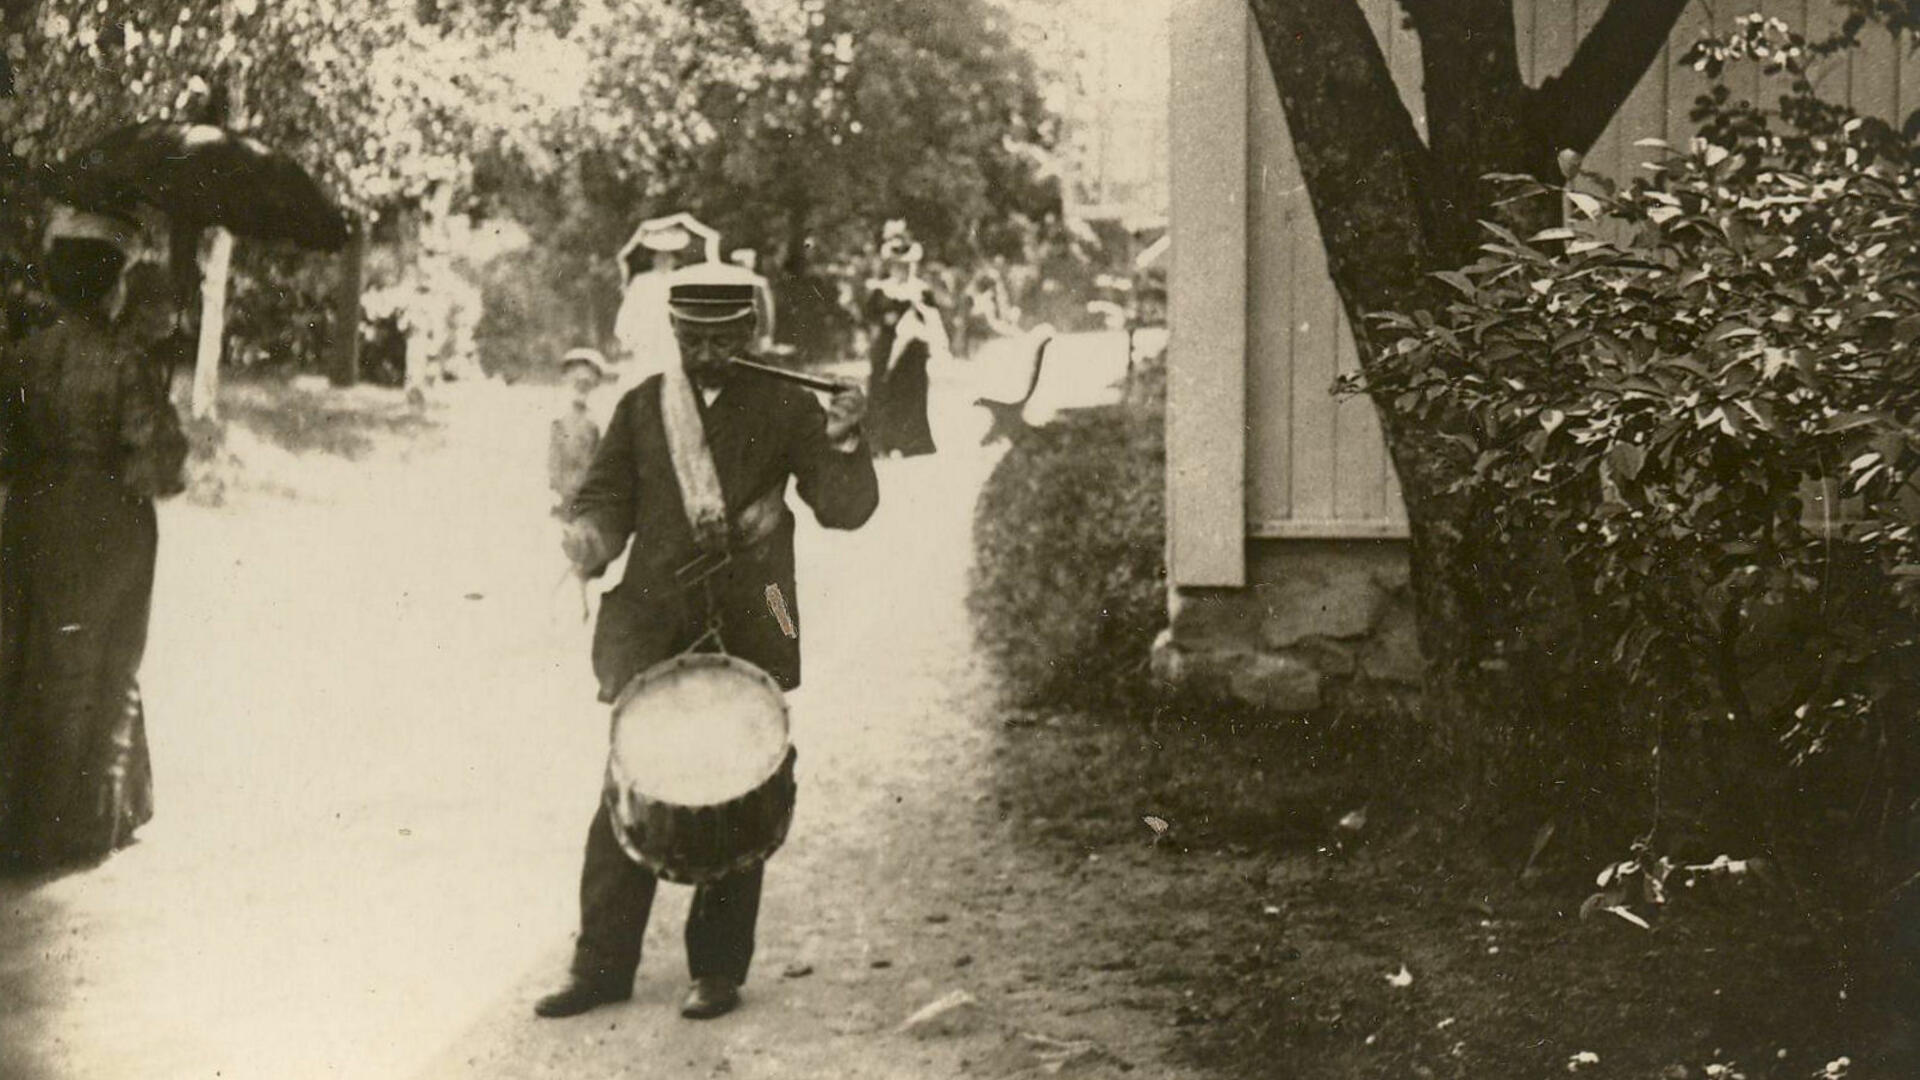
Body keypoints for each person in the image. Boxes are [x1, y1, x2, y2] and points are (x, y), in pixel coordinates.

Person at [534, 273, 876, 1021]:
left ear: (751, 331)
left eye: (725, 338)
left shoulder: (789, 405)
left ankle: (717, 970)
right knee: (629, 786)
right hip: (655, 615)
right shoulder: (643, 406)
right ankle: (601, 966)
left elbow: (843, 509)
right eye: (694, 339)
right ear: (675, 333)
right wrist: (590, 540)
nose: (710, 353)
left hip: (760, 610)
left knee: (738, 792)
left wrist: (847, 437)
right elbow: (606, 498)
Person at [0, 209, 188, 871]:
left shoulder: (22, 357)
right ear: (109, 286)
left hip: (32, 516)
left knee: (30, 656)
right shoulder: (125, 361)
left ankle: (18, 817)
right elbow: (160, 467)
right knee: (106, 659)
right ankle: (83, 823)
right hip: (108, 523)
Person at [862, 221, 944, 458]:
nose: (902, 269)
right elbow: (868, 315)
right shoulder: (881, 289)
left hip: (913, 349)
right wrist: (884, 319)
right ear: (890, 266)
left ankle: (909, 442)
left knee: (910, 392)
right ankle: (881, 443)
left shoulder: (920, 290)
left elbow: (934, 317)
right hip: (886, 346)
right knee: (882, 390)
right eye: (897, 265)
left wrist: (919, 314)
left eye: (906, 265)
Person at [547, 347, 611, 519]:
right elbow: (549, 462)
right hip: (558, 499)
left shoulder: (597, 421)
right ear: (566, 378)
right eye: (577, 381)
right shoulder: (555, 418)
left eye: (587, 384)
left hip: (588, 501)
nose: (582, 387)